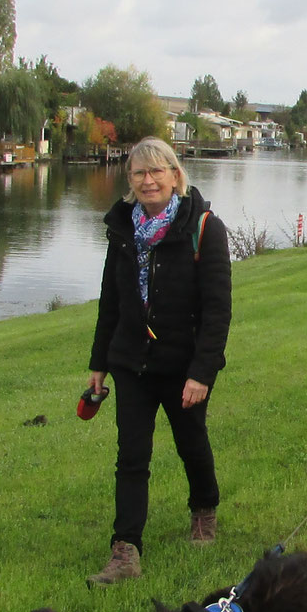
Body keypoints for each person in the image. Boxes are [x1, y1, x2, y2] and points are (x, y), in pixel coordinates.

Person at [86, 138, 232, 585]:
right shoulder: (123, 228)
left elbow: (217, 310)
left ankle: (204, 508)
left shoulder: (203, 227)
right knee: (131, 455)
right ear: (129, 180)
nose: (148, 181)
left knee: (191, 443)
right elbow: (110, 299)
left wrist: (202, 372)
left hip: (183, 365)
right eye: (138, 174)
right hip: (132, 362)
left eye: (157, 172)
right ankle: (125, 550)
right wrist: (99, 362)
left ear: (175, 174)